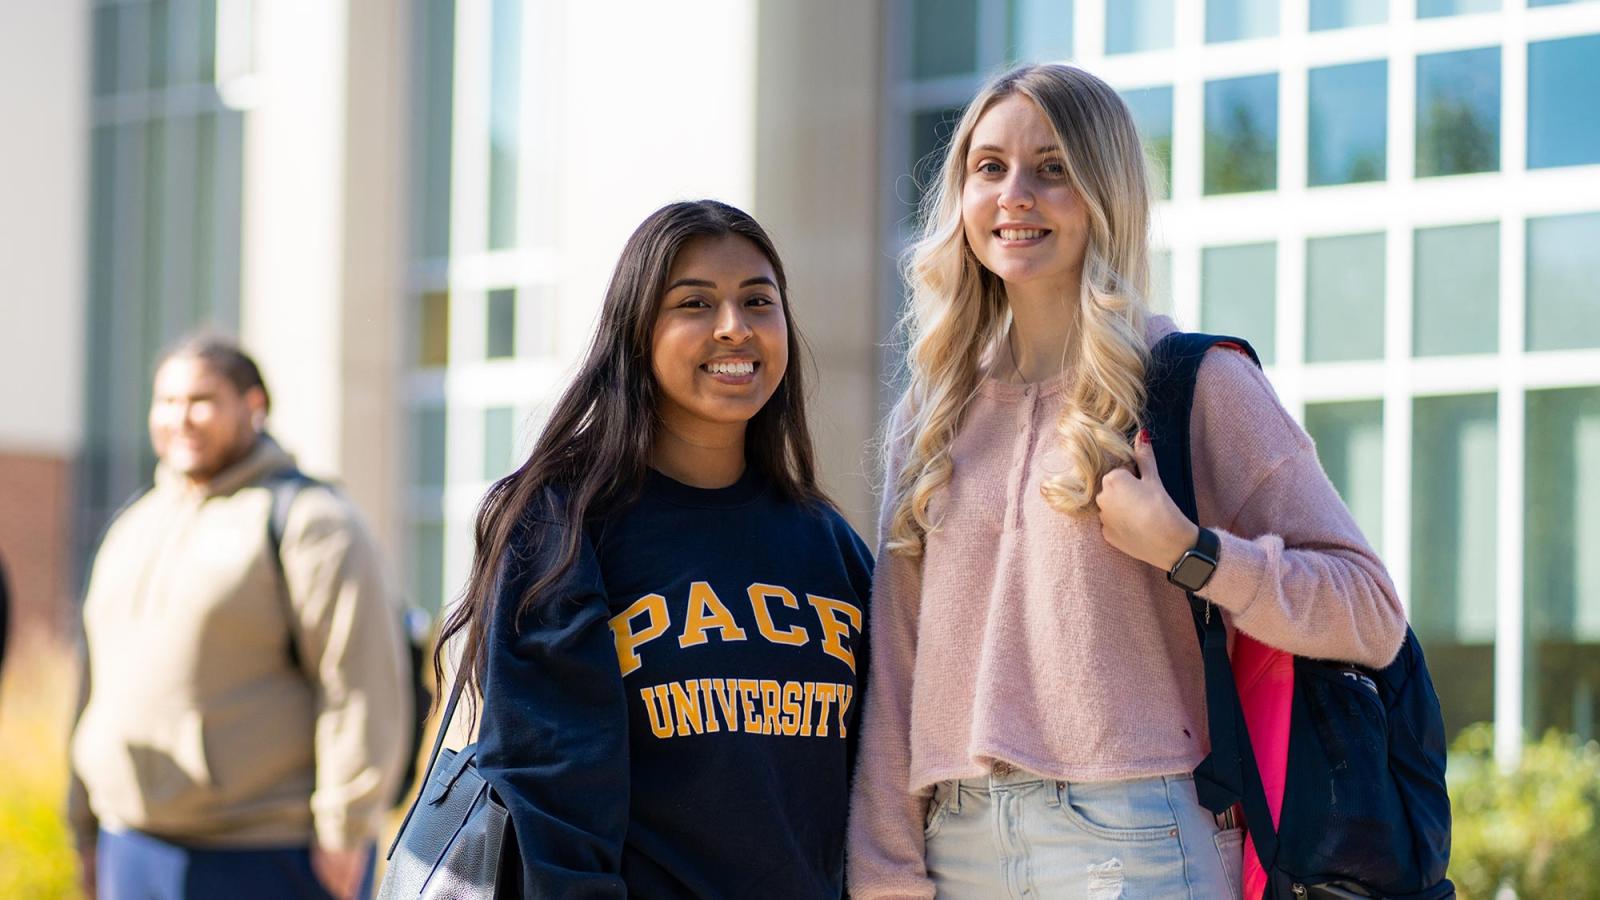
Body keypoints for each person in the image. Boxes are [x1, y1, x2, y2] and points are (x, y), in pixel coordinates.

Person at [846, 63, 1407, 900]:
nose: (1015, 195)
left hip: (1135, 842)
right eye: (989, 168)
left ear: (1105, 191)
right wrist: (886, 873)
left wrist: (1191, 552)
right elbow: (896, 665)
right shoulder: (929, 417)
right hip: (954, 843)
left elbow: (1370, 612)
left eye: (1054, 167)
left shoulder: (1192, 384)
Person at [435, 199, 872, 898]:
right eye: (695, 303)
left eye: (758, 301)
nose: (735, 328)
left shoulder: (830, 547)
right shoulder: (562, 526)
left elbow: (873, 792)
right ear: (637, 332)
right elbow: (549, 798)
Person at [68, 336, 413, 900]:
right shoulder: (133, 525)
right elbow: (93, 686)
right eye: (167, 401)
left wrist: (347, 830)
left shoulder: (311, 521)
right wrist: (83, 824)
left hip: (263, 849)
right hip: (130, 844)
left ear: (254, 406)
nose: (181, 418)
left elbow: (361, 682)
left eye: (202, 400)